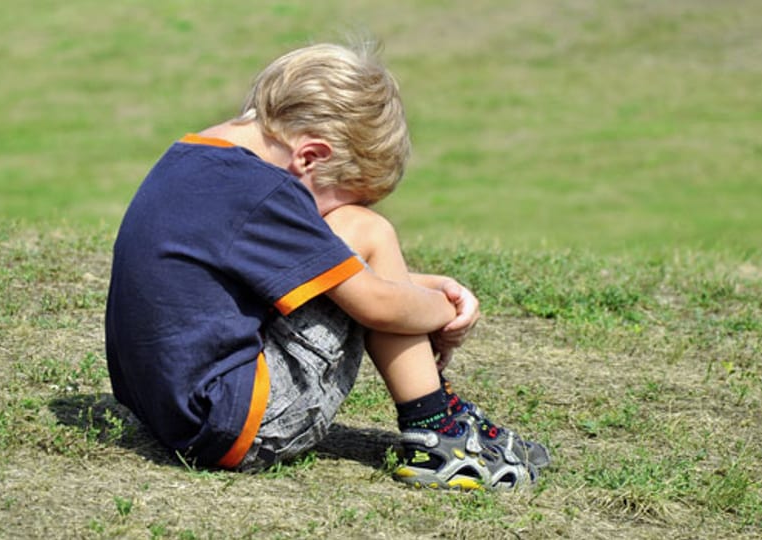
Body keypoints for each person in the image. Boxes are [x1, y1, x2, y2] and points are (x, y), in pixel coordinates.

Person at [104, 41, 550, 490]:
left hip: (169, 417)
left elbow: (291, 272)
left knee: (358, 251)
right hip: (240, 423)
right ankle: (438, 427)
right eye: (335, 201)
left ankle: (442, 420)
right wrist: (445, 311)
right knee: (367, 230)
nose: (323, 221)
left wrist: (424, 286)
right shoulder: (268, 193)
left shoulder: (196, 159)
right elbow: (376, 303)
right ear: (312, 157)